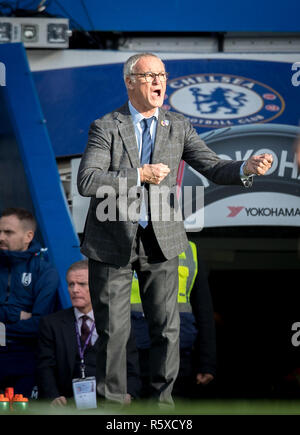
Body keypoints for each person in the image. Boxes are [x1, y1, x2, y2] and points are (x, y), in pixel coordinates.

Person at [77, 52, 273, 405]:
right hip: (111, 243)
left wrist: (246, 167)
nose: (158, 82)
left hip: (163, 242)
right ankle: (111, 405)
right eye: (149, 75)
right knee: (114, 332)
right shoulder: (105, 126)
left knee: (167, 329)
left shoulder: (178, 126)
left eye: (162, 75)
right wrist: (140, 174)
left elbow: (213, 167)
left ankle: (161, 406)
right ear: (130, 82)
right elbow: (89, 181)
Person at [37, 260, 141, 407]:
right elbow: (45, 367)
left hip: (110, 402)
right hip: (68, 403)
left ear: (97, 286)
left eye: (82, 284)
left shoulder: (118, 322)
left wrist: (130, 394)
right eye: (71, 284)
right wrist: (53, 397)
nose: (75, 290)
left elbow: (132, 367)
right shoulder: (51, 324)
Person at [131, 241, 216, 399]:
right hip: (133, 353)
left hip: (177, 351)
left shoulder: (189, 251)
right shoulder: (127, 246)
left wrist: (207, 362)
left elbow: (204, 312)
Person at [0, 207, 59, 397]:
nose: (1, 237)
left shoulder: (45, 272)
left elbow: (41, 324)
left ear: (28, 236)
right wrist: (16, 314)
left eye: (8, 232)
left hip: (27, 357)